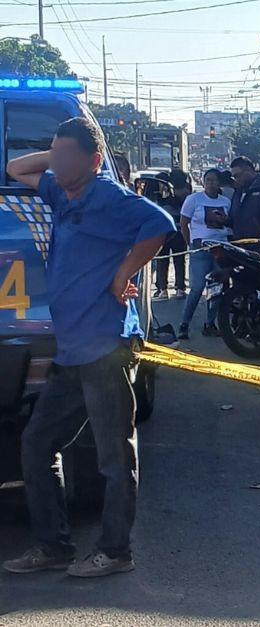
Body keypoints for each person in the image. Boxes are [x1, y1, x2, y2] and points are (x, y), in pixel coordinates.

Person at [2, 117, 174, 578]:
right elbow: (18, 167)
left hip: (105, 349)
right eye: (54, 156)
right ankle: (53, 546)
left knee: (114, 458)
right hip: (72, 352)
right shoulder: (62, 192)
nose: (55, 164)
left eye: (65, 157)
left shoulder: (109, 197)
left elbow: (160, 224)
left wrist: (123, 273)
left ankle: (116, 552)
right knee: (37, 443)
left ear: (94, 162)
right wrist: (58, 154)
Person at [178, 168, 230, 340]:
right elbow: (183, 223)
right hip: (200, 248)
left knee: (216, 288)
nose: (211, 183)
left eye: (214, 180)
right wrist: (191, 244)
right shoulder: (194, 200)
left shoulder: (226, 201)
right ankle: (184, 323)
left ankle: (210, 323)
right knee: (198, 287)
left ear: (219, 183)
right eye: (208, 180)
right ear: (203, 181)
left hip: (221, 248)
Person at [153, 171, 189, 300]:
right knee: (179, 260)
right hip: (179, 231)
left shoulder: (164, 193)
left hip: (163, 231)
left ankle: (163, 289)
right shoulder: (186, 192)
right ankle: (180, 288)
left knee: (162, 260)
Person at [228, 156, 260, 241]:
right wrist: (223, 220)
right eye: (234, 177)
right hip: (239, 242)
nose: (236, 179)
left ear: (248, 170)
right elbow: (234, 217)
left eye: (237, 175)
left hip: (258, 243)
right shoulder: (239, 190)